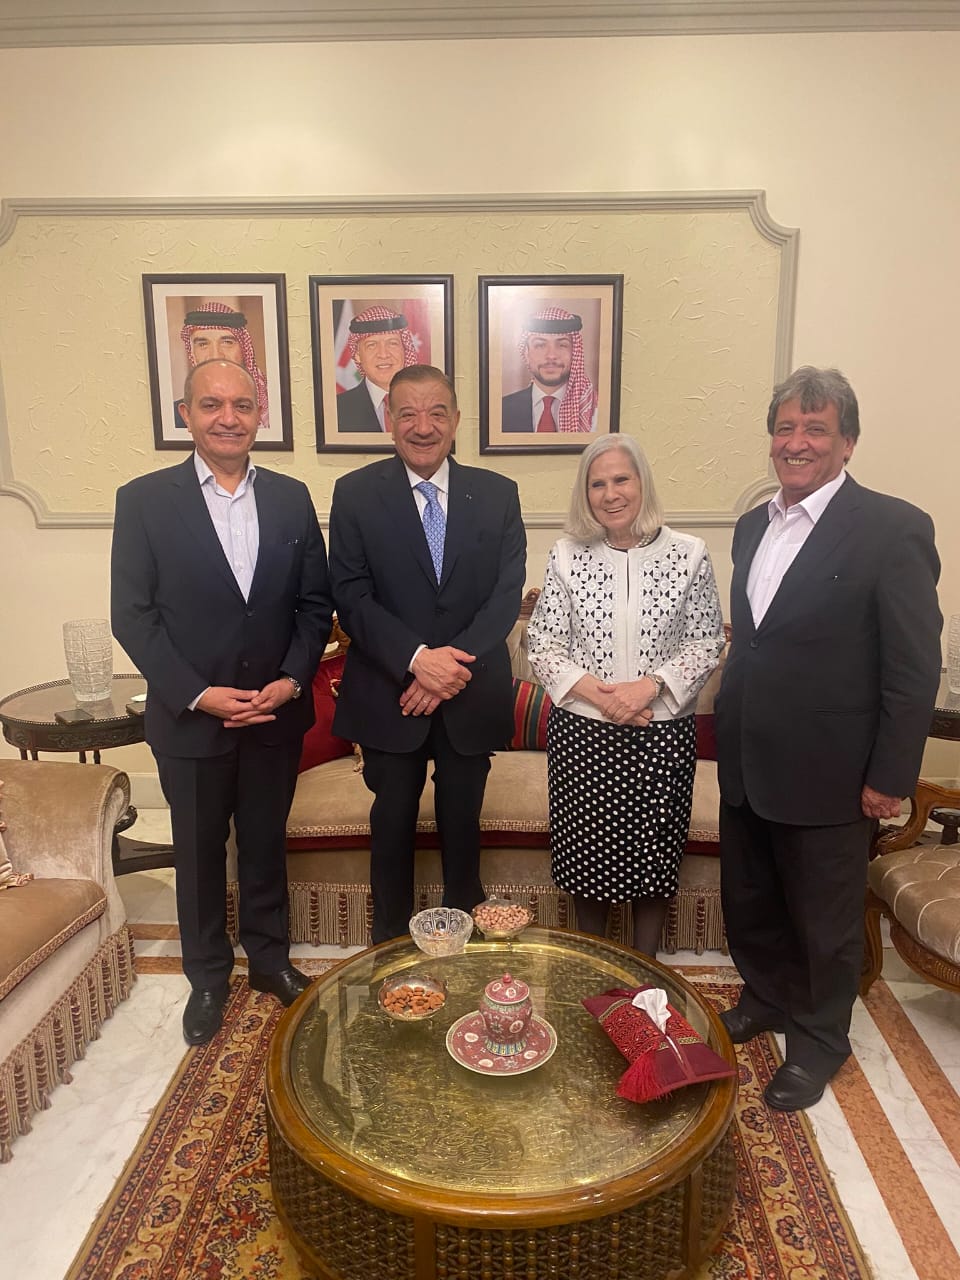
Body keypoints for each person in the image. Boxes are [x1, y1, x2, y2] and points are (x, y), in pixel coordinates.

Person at [715, 366, 942, 1112]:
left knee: (824, 920)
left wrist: (891, 775)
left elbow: (913, 667)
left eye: (816, 428)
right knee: (753, 899)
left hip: (833, 772)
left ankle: (819, 1040)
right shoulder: (753, 527)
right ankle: (766, 998)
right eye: (785, 427)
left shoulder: (892, 528)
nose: (797, 442)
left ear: (848, 442)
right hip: (748, 759)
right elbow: (755, 643)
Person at [112, 359, 332, 1046]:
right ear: (187, 414)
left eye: (242, 405)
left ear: (259, 414)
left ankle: (269, 961)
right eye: (212, 404)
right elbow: (133, 617)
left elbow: (314, 605)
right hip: (190, 721)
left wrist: (292, 680)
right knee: (200, 853)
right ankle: (207, 977)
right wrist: (199, 694)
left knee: (264, 845)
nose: (228, 418)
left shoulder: (292, 497)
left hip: (273, 714)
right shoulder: (144, 500)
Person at [329, 364, 526, 943]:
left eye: (437, 413)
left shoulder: (498, 494)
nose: (423, 426)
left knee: (463, 823)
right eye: (408, 413)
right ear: (388, 420)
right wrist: (417, 659)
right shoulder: (355, 494)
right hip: (389, 691)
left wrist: (446, 667)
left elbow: (505, 595)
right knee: (392, 821)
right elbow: (351, 595)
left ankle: (464, 942)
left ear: (456, 420)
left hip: (470, 691)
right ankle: (389, 947)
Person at [526, 434, 724, 955]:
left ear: (642, 483)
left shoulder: (689, 554)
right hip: (583, 737)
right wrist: (606, 697)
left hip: (661, 736)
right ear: (585, 493)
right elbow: (543, 644)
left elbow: (706, 641)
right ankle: (594, 968)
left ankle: (645, 970)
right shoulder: (567, 555)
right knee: (587, 862)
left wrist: (648, 688)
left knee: (654, 862)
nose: (610, 494)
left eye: (621, 480)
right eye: (598, 484)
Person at [174, 301, 271, 429]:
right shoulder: (175, 418)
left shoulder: (275, 407)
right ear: (192, 353)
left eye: (227, 342)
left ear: (244, 349)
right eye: (203, 344)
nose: (215, 355)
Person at [501, 306, 598, 433]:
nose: (551, 355)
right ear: (526, 354)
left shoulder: (595, 410)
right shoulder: (501, 410)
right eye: (540, 345)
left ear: (574, 353)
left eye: (562, 345)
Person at [336, 305, 420, 432]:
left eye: (392, 343)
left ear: (405, 349)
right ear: (358, 355)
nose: (383, 354)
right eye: (372, 345)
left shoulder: (424, 403)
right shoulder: (338, 409)